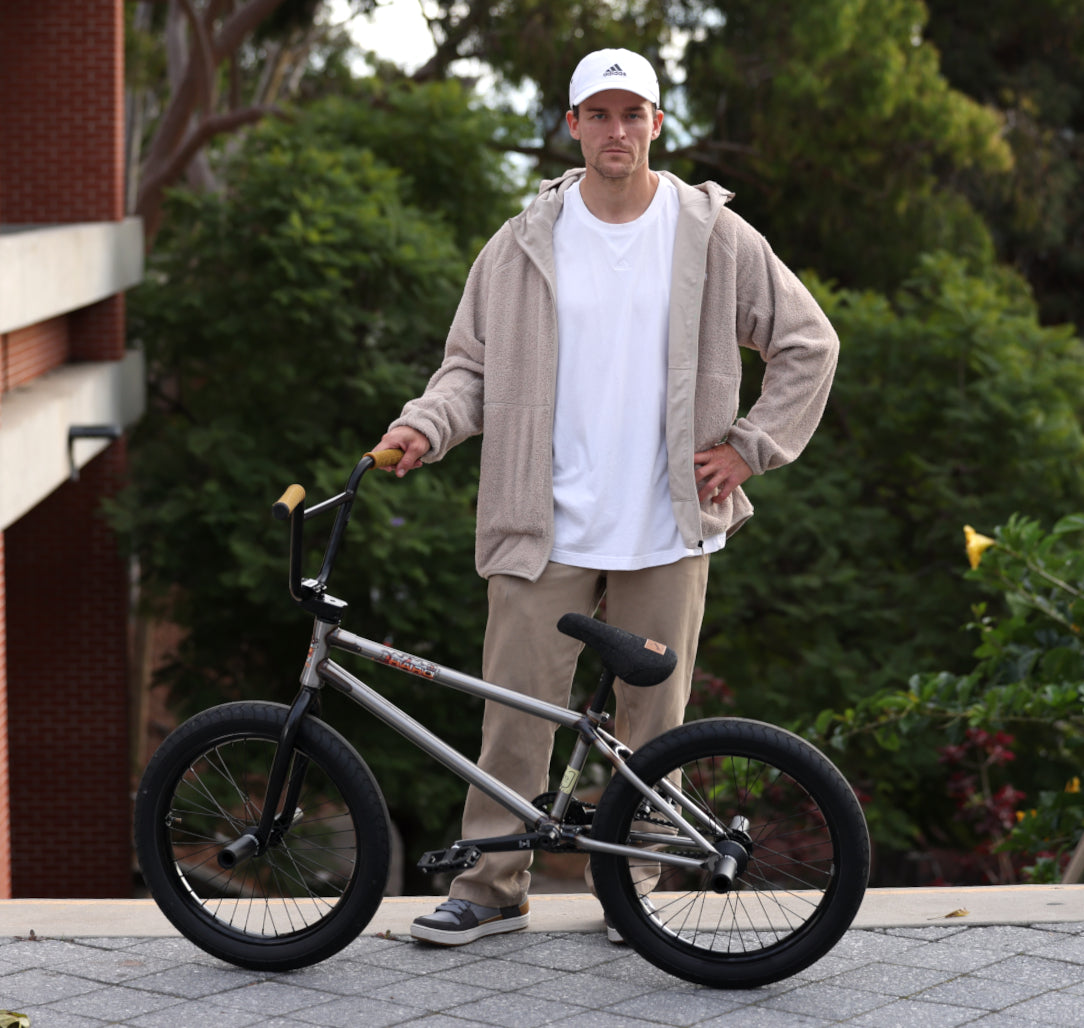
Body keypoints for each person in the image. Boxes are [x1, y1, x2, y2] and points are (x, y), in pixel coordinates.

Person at [374, 47, 839, 946]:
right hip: (540, 521)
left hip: (666, 525)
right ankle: (490, 885)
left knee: (653, 726)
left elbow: (808, 343)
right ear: (574, 125)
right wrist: (423, 427)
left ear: (657, 125)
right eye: (600, 114)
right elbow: (467, 369)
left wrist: (750, 449)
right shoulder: (520, 245)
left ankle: (638, 894)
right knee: (512, 713)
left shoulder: (712, 236)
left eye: (634, 114)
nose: (617, 130)